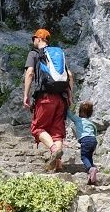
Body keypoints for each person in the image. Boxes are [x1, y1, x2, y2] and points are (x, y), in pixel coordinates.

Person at [23, 28, 73, 171]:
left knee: (38, 128)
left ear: (39, 38)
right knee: (57, 133)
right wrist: (70, 96)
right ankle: (58, 165)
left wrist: (26, 95)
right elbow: (69, 75)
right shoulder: (57, 53)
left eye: (34, 38)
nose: (33, 41)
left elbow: (30, 73)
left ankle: (53, 150)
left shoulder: (34, 54)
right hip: (60, 99)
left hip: (45, 98)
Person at [69, 100, 99, 185]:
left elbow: (69, 114)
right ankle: (92, 177)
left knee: (84, 157)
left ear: (81, 111)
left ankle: (91, 169)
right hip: (93, 140)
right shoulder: (91, 123)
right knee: (89, 157)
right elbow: (95, 132)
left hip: (85, 140)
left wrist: (67, 105)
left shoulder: (78, 120)